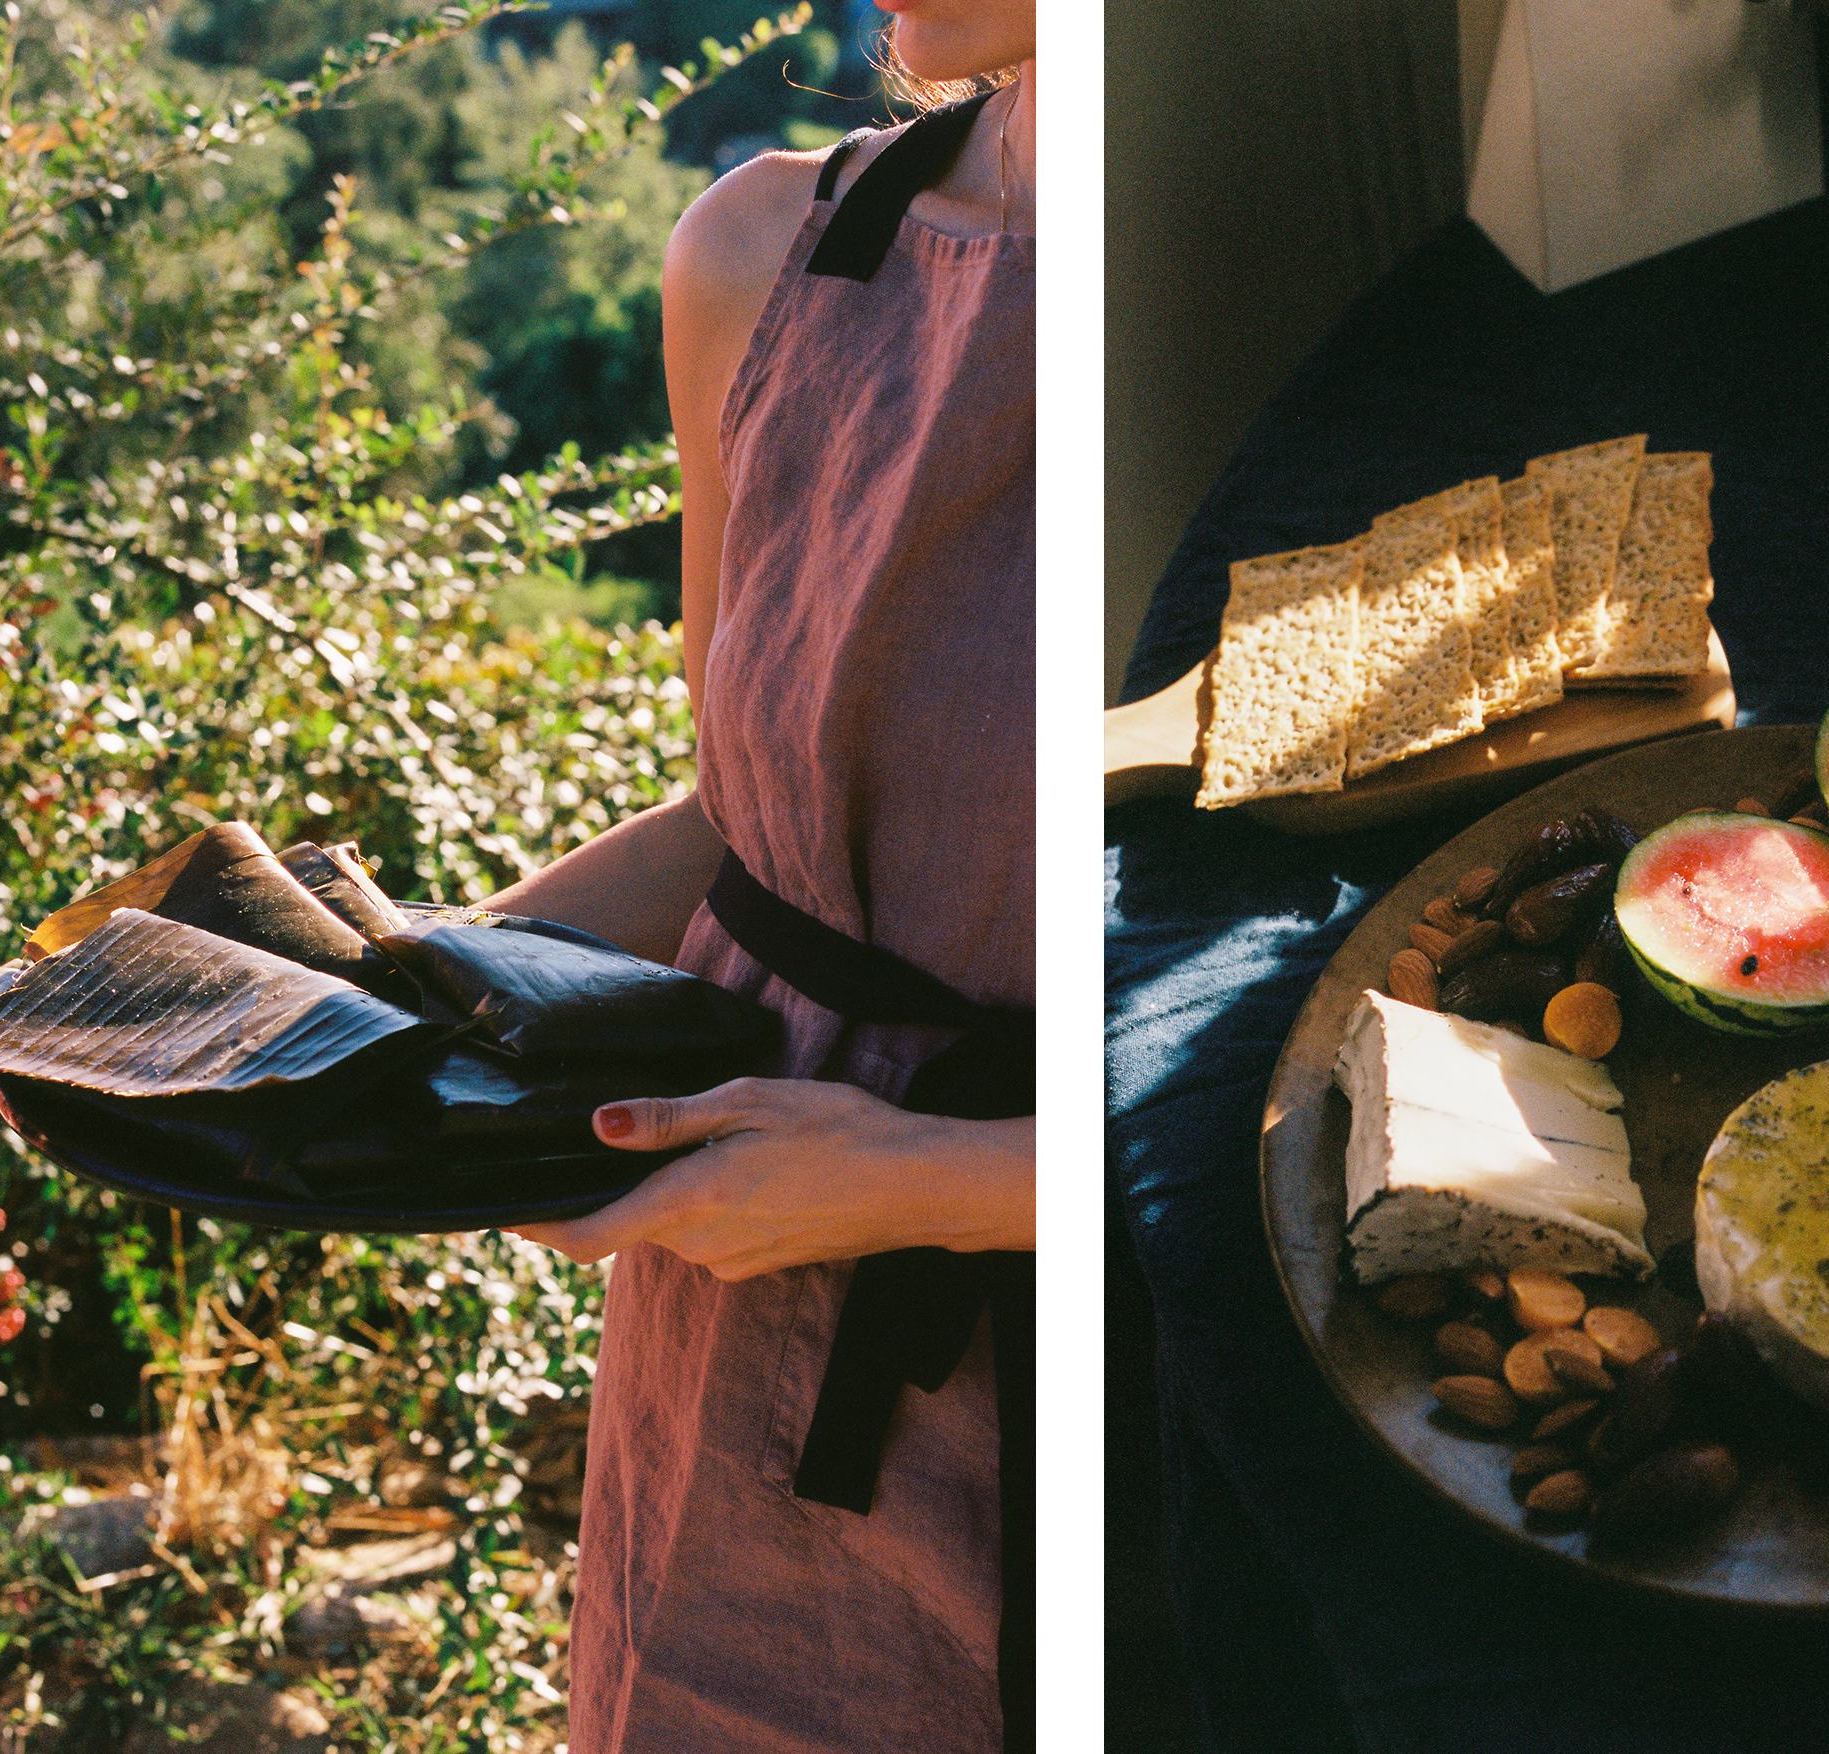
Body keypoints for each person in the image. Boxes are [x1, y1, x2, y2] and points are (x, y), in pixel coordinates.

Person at [486, 2, 1036, 1748]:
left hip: (1090, 1343)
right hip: (724, 1334)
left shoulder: (1262, 298)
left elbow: (1317, 1018)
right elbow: (746, 821)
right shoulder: (760, 248)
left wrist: (933, 1178)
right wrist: (395, 993)